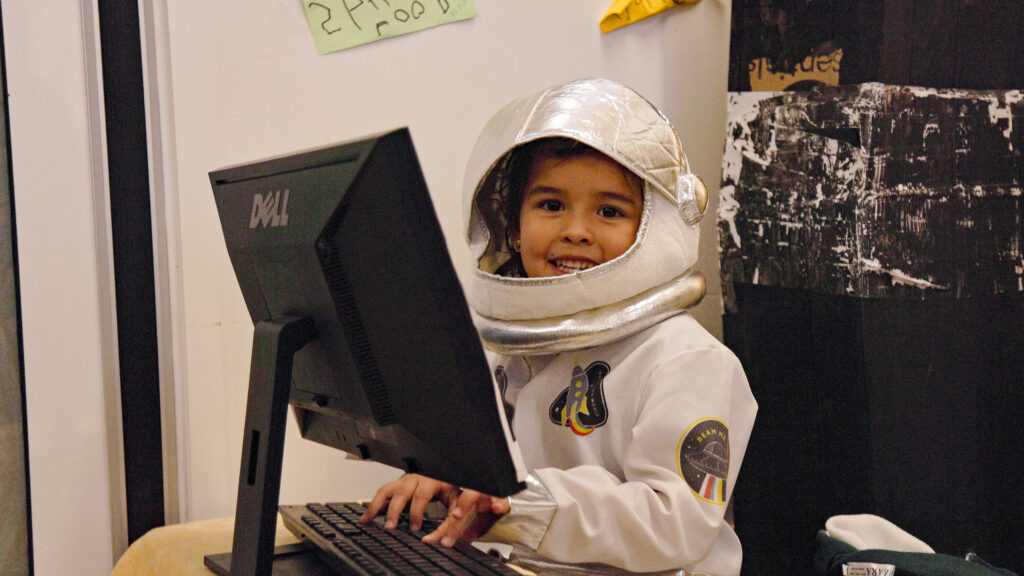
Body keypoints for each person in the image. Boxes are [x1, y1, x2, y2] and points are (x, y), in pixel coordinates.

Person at [360, 78, 758, 576]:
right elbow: (497, 477)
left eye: (609, 211)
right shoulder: (519, 347)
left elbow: (675, 522)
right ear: (511, 227)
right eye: (551, 205)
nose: (575, 230)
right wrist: (446, 484)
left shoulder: (688, 361)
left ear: (654, 232)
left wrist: (522, 505)